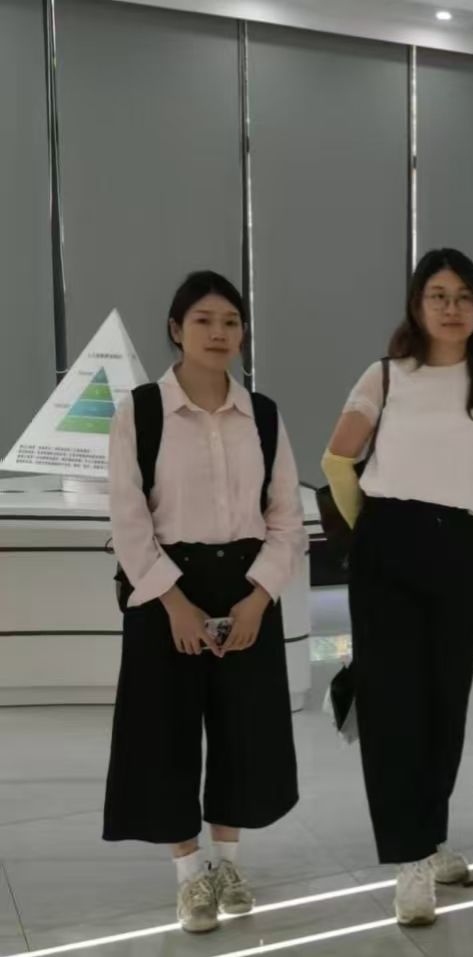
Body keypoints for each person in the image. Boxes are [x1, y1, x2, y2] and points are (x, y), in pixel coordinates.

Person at [321, 248, 473, 927]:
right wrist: (370, 534)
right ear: (417, 305)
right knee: (393, 707)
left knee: (446, 703)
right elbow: (336, 459)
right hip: (388, 545)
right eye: (438, 294)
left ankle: (430, 835)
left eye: (464, 295)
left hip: (461, 551)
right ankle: (408, 860)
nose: (451, 307)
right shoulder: (386, 376)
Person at [104, 270, 305, 934]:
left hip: (247, 589)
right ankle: (189, 875)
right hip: (166, 589)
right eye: (203, 320)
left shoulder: (263, 415)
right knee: (163, 734)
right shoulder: (141, 412)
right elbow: (128, 519)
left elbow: (286, 519)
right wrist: (174, 604)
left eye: (231, 322)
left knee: (244, 732)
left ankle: (228, 863)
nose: (219, 333)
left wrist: (258, 599)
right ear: (176, 329)